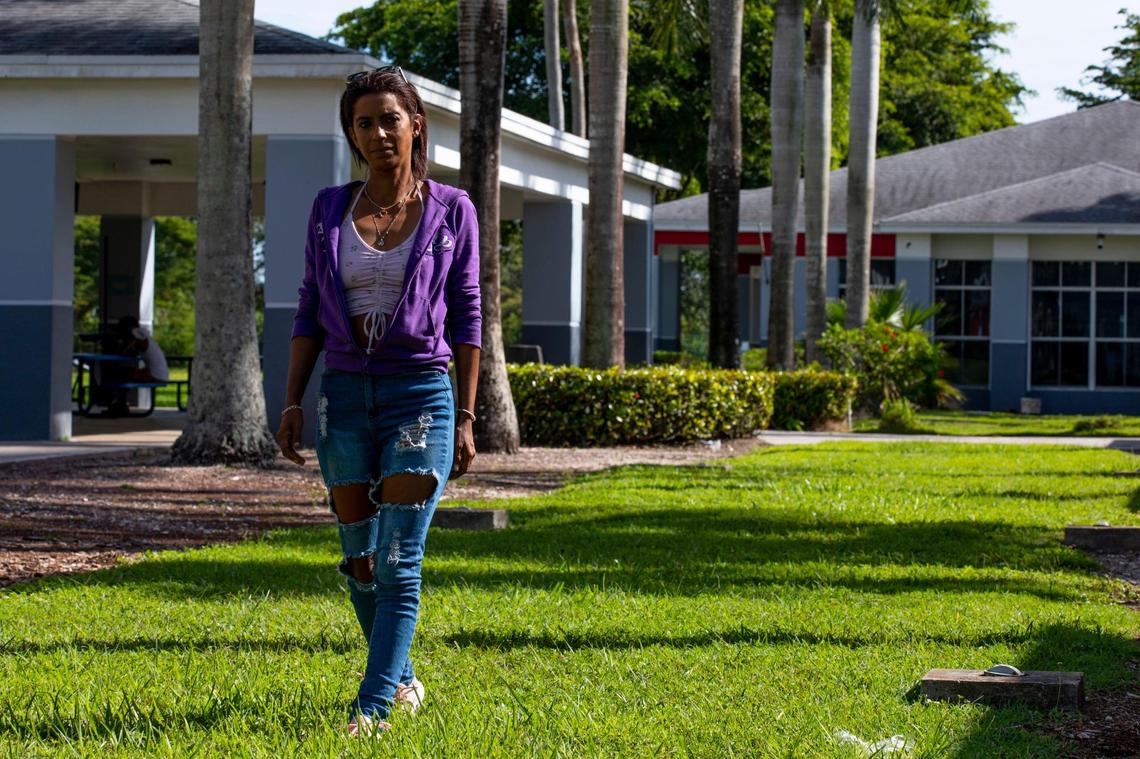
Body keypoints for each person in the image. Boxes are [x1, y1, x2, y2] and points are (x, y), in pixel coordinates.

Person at [276, 66, 481, 737]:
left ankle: (370, 710)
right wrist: (292, 401)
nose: (377, 132)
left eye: (389, 118)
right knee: (359, 557)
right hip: (342, 397)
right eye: (363, 122)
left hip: (421, 395)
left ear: (414, 124)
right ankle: (402, 678)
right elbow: (308, 308)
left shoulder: (453, 211)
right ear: (353, 134)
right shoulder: (329, 208)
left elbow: (468, 317)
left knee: (399, 556)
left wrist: (470, 414)